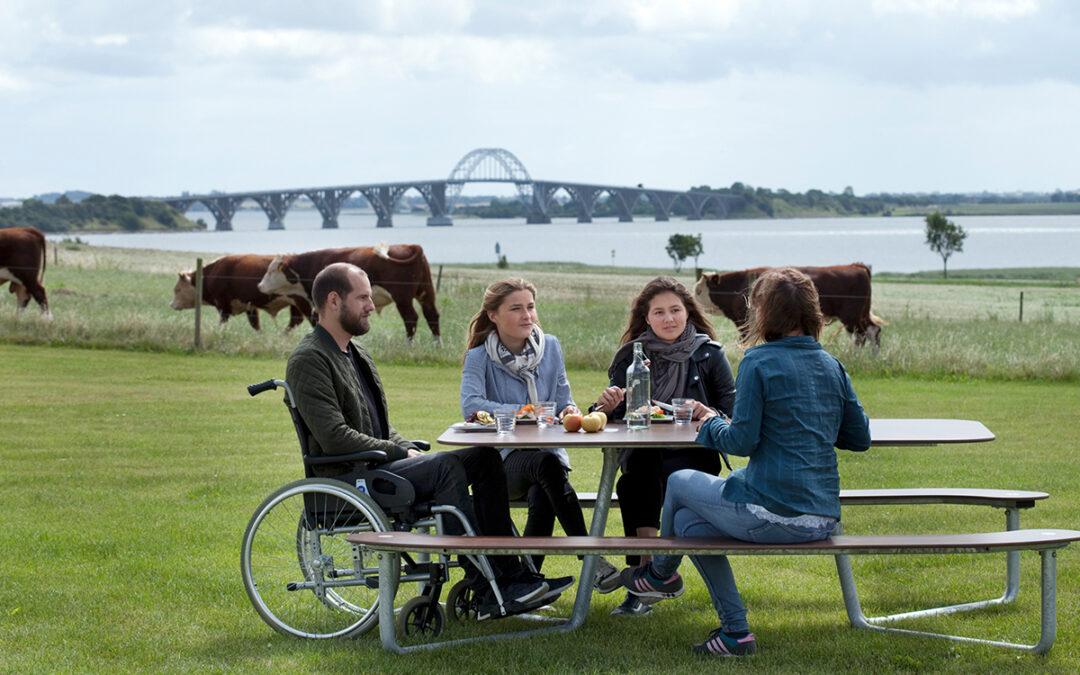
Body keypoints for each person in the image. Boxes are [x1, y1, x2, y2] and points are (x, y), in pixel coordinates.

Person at [617, 267, 872, 657]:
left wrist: (710, 421)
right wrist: (811, 420)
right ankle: (736, 634)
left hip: (774, 512)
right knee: (687, 523)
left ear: (762, 312)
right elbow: (860, 437)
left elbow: (741, 441)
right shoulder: (831, 365)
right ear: (813, 312)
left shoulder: (759, 361)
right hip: (822, 515)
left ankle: (660, 574)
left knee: (679, 481)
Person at [285, 262, 561, 619]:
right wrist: (400, 451)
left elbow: (380, 426)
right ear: (334, 301)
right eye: (364, 297)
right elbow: (334, 438)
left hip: (377, 465)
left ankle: (516, 576)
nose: (372, 305)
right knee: (446, 467)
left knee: (484, 457)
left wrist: (405, 447)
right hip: (348, 477)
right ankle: (490, 585)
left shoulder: (356, 354)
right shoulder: (309, 359)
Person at [590, 276, 736, 616]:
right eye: (659, 312)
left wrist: (710, 413)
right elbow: (608, 415)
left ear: (688, 313)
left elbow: (733, 413)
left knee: (656, 477)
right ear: (646, 317)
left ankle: (648, 579)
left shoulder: (710, 354)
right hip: (644, 454)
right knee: (635, 477)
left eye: (675, 310)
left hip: (695, 455)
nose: (668, 319)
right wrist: (604, 406)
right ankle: (650, 575)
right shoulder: (631, 356)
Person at [460, 278, 617, 590]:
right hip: (501, 465)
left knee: (544, 487)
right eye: (516, 309)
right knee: (545, 467)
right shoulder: (480, 356)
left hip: (547, 460)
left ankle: (529, 583)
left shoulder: (551, 347)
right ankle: (590, 557)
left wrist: (569, 411)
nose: (527, 315)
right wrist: (527, 411)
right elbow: (471, 404)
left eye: (530, 307)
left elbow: (563, 399)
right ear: (493, 315)